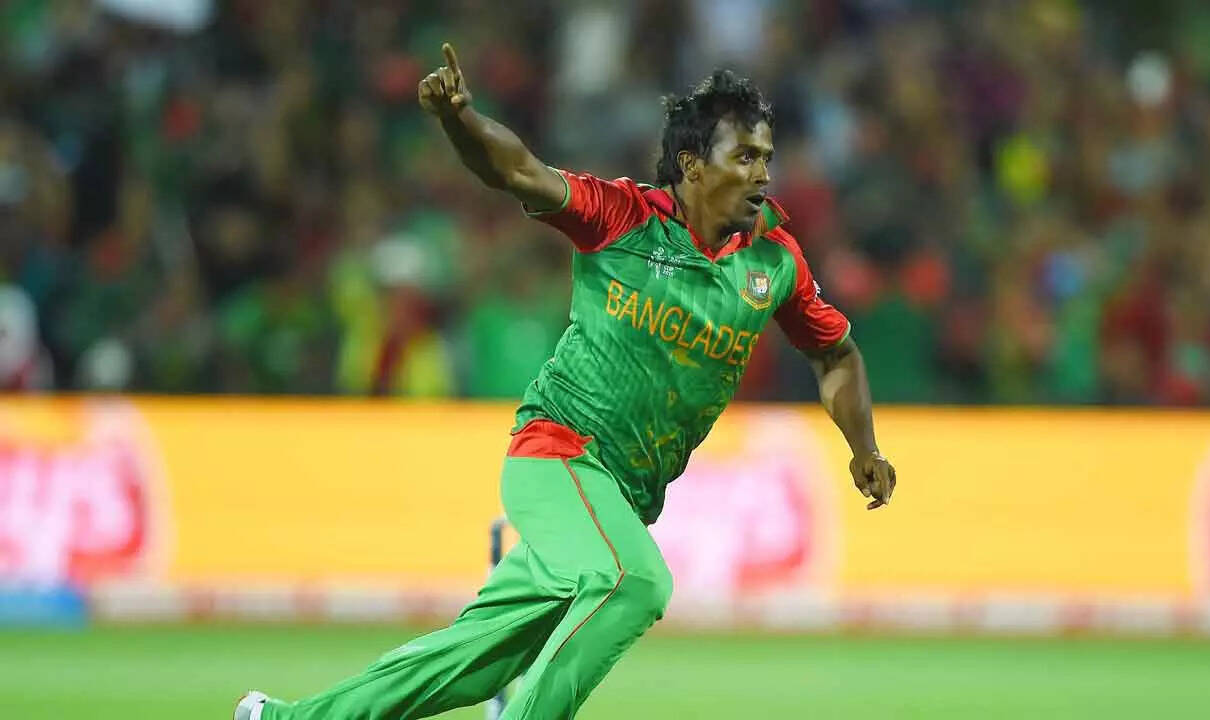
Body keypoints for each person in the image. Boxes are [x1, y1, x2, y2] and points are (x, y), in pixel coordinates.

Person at [236, 42, 897, 720]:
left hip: (623, 496)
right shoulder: (622, 216)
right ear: (693, 166)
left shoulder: (774, 260)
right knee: (634, 583)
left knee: (474, 659)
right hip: (560, 455)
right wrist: (461, 120)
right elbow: (519, 170)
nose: (763, 173)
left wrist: (864, 447)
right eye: (745, 156)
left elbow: (836, 354)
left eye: (766, 157)